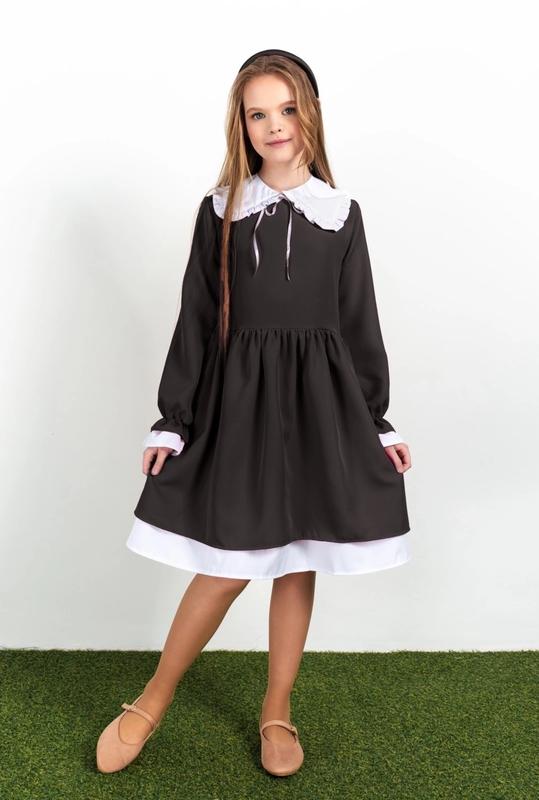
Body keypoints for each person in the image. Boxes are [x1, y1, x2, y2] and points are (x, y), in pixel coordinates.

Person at [96, 48, 412, 778]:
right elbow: (197, 318)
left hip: (321, 405)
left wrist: (377, 421)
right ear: (240, 125)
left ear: (311, 112)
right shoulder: (221, 211)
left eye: (287, 108)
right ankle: (151, 700)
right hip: (241, 403)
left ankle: (277, 709)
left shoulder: (341, 213)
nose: (274, 125)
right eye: (257, 113)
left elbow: (358, 322)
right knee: (228, 563)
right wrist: (173, 418)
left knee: (297, 558)